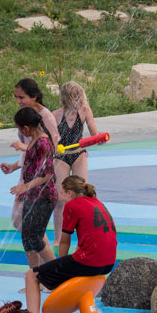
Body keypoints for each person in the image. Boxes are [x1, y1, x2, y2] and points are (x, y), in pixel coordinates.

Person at [24, 175, 117, 313]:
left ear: (70, 193)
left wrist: (61, 267)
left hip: (90, 262)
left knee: (31, 276)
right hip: (108, 263)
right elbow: (87, 240)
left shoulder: (73, 205)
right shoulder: (97, 203)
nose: (60, 197)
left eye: (62, 193)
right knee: (73, 262)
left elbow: (64, 242)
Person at [0, 107, 57, 270]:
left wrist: (24, 187)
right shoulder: (34, 141)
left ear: (25, 128)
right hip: (32, 196)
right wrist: (13, 167)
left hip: (45, 197)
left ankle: (56, 276)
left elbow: (47, 174)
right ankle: (36, 277)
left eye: (19, 129)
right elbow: (30, 162)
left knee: (35, 238)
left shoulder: (43, 143)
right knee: (27, 238)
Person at [51, 81, 99, 233]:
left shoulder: (85, 111)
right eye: (76, 97)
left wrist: (98, 139)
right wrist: (54, 147)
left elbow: (94, 134)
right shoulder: (56, 115)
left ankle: (83, 233)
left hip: (78, 154)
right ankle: (59, 238)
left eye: (80, 96)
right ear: (67, 98)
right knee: (60, 199)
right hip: (61, 157)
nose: (80, 100)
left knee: (81, 195)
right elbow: (49, 140)